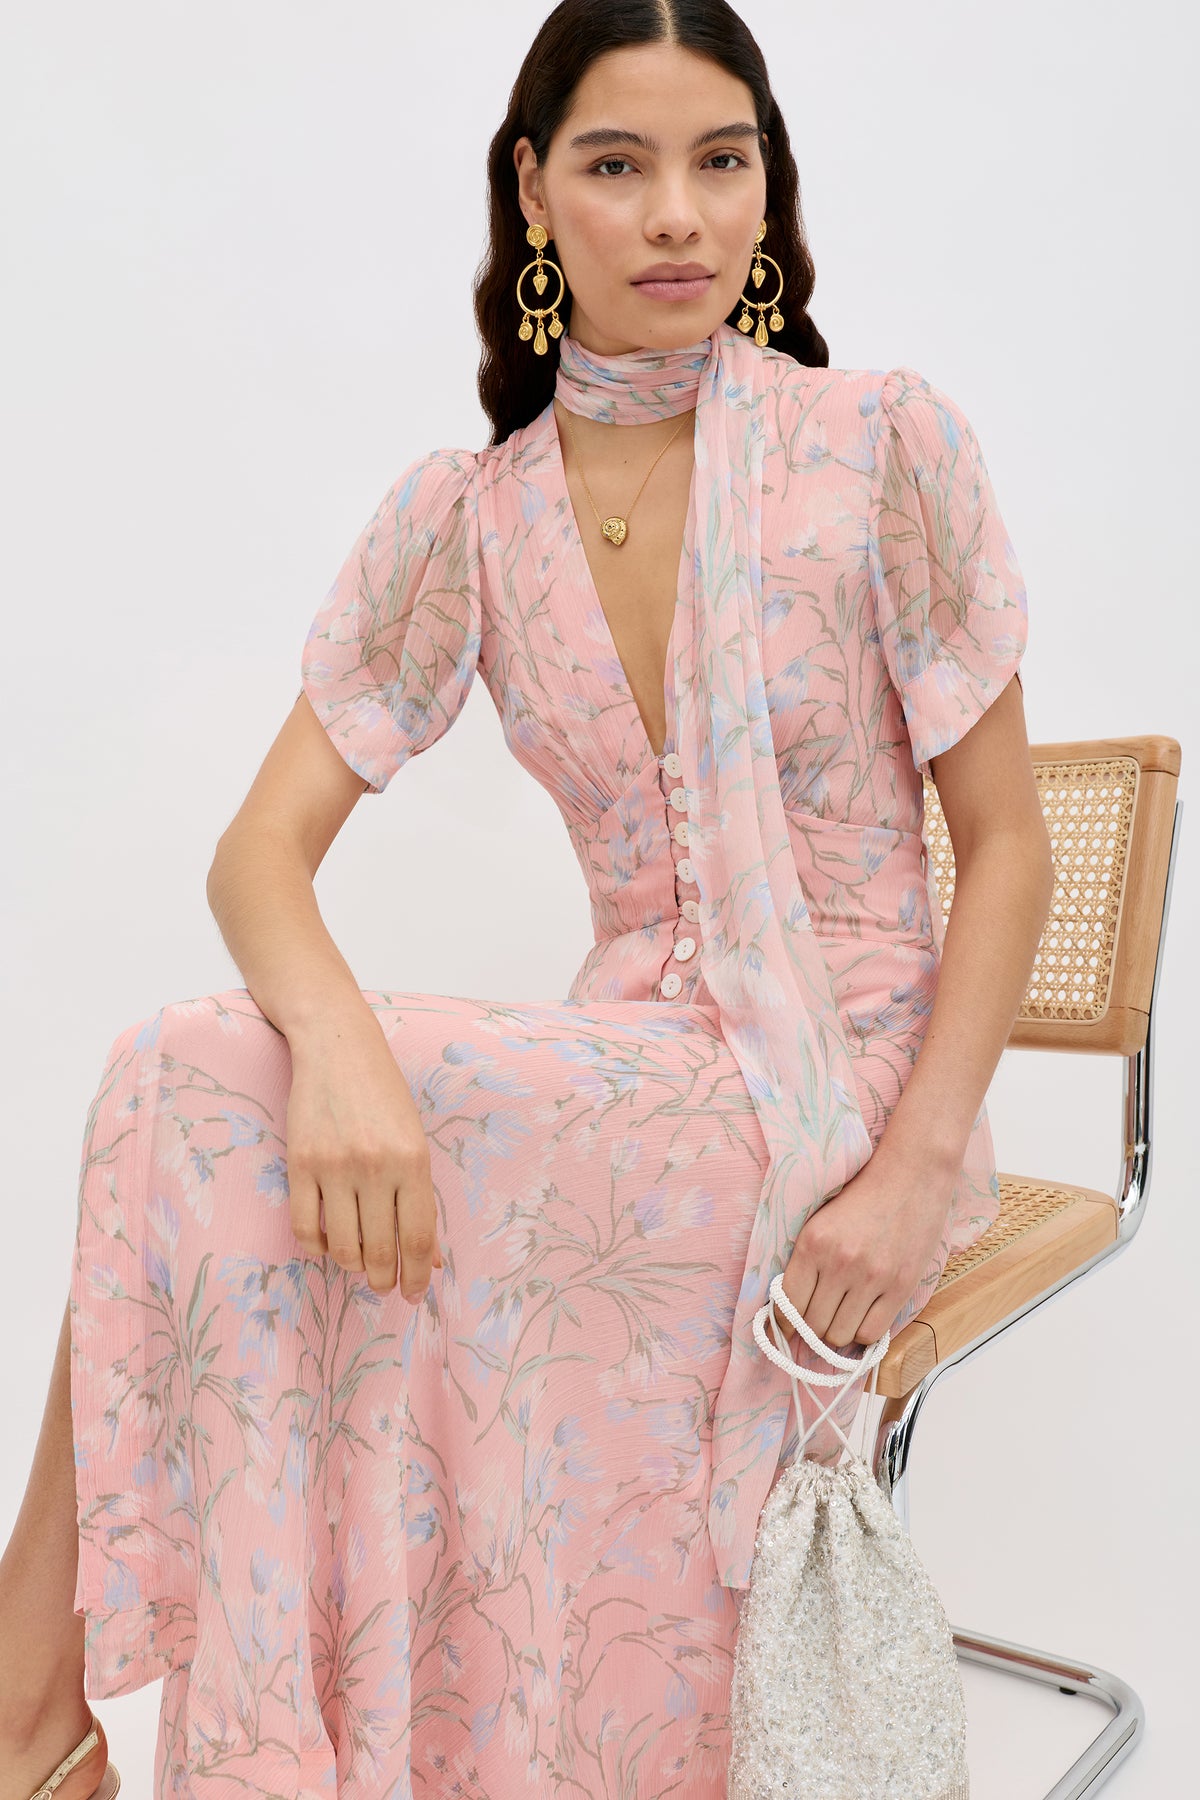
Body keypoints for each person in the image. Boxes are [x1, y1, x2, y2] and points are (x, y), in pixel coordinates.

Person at [0, 4, 1055, 1796]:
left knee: (187, 1074)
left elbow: (1007, 842)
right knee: (207, 1089)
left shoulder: (880, 446)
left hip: (844, 1084)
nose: (679, 214)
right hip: (635, 1064)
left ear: (770, 188)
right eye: (618, 164)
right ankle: (69, 1722)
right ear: (534, 190)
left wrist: (911, 1171)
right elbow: (256, 852)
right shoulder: (471, 520)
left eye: (722, 161)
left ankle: (29, 1720)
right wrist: (339, 1049)